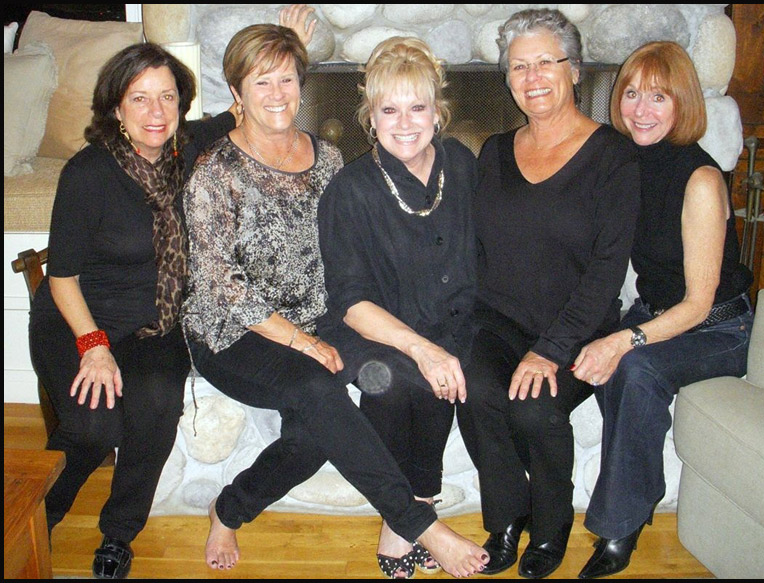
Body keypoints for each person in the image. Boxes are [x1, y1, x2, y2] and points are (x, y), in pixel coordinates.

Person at [181, 23, 490, 579]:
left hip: (315, 322)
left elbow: (352, 245)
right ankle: (420, 525)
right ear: (237, 94)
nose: (278, 93)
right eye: (262, 82)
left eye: (287, 79)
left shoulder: (324, 157)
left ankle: (228, 508)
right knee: (319, 392)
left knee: (314, 436)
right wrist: (302, 342)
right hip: (234, 333)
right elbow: (220, 285)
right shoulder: (214, 173)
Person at [27, 42, 238, 579]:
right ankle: (31, 519)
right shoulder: (88, 173)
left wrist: (288, 49)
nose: (156, 112)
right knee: (93, 427)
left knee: (157, 404)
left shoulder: (184, 150)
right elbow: (61, 277)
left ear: (181, 105)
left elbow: (242, 110)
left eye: (167, 97)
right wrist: (93, 345)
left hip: (153, 325)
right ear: (116, 108)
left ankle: (119, 533)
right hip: (78, 318)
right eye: (139, 98)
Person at [455, 8, 641, 579]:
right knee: (473, 388)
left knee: (533, 409)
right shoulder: (493, 152)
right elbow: (473, 251)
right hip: (497, 320)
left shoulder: (613, 157)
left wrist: (551, 350)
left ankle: (551, 524)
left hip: (577, 329)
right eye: (518, 67)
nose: (531, 77)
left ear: (575, 70)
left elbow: (607, 270)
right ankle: (507, 519)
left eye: (545, 63)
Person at [571, 41, 754, 579]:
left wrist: (626, 339)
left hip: (719, 327)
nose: (640, 109)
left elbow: (699, 303)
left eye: (658, 97)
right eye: (631, 94)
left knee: (634, 367)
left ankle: (619, 525)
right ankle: (641, 479)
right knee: (591, 352)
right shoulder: (629, 163)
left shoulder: (701, 180)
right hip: (657, 312)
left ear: (683, 104)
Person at [316, 36, 478, 579]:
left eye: (417, 107)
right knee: (393, 380)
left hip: (450, 319)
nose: (405, 123)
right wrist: (423, 349)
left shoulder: (461, 164)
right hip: (370, 327)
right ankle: (410, 521)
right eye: (389, 109)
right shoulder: (350, 190)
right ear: (371, 116)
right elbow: (349, 302)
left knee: (443, 369)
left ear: (438, 112)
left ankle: (414, 510)